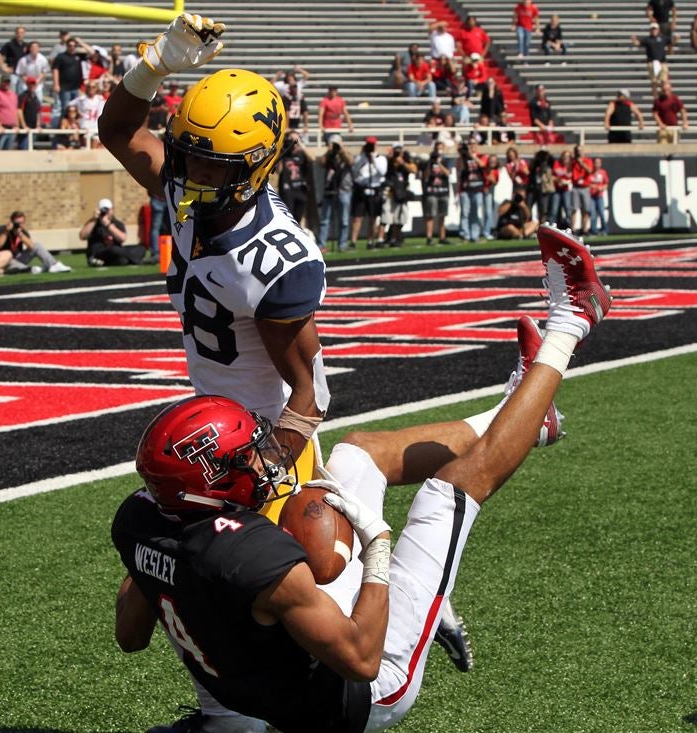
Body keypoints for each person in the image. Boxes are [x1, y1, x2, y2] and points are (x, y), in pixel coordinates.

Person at [101, 17, 459, 731]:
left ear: (257, 165)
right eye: (189, 159)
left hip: (261, 449)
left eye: (212, 167)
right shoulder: (193, 186)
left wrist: (258, 472)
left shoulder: (268, 255)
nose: (192, 175)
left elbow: (308, 395)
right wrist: (158, 63)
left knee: (267, 607)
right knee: (199, 588)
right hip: (210, 428)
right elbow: (118, 130)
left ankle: (403, 615)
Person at [115, 224, 605, 733]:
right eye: (250, 456)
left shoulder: (145, 520)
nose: (265, 459)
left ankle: (522, 419)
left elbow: (130, 637)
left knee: (356, 455)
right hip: (363, 693)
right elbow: (361, 658)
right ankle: (571, 320)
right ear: (208, 484)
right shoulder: (245, 555)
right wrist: (377, 555)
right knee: (450, 491)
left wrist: (151, 569)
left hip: (253, 683)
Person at [0, 210, 72, 273]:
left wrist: (20, 235)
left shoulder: (23, 232)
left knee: (37, 245)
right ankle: (35, 269)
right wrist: (6, 232)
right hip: (5, 261)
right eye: (17, 223)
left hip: (18, 258)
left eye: (22, 223)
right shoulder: (2, 229)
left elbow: (32, 247)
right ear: (11, 222)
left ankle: (53, 264)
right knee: (19, 267)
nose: (19, 225)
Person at [350, 136, 388, 250]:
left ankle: (370, 240)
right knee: (357, 217)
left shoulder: (380, 158)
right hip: (361, 188)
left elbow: (382, 172)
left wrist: (373, 159)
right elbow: (355, 171)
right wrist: (363, 158)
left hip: (374, 188)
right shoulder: (360, 158)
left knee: (373, 217)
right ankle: (353, 241)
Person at [80, 198, 140, 267]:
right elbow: (82, 236)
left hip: (116, 252)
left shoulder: (117, 223)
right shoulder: (93, 222)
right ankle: (137, 261)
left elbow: (123, 238)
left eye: (107, 210)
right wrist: (94, 220)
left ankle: (118, 261)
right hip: (100, 252)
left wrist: (108, 225)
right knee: (115, 250)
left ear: (112, 210)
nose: (106, 213)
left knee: (140, 249)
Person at [380, 145, 415, 248]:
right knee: (386, 218)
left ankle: (394, 238)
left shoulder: (406, 160)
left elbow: (413, 170)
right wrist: (391, 158)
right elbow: (384, 170)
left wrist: (402, 162)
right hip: (390, 193)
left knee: (399, 219)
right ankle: (381, 239)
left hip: (401, 194)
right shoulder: (388, 161)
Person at [276, 133, 313, 229]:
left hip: (301, 189)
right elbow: (278, 171)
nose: (293, 141)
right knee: (288, 217)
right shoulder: (284, 153)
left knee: (298, 218)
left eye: (295, 138)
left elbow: (312, 159)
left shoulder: (301, 153)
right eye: (291, 138)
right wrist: (280, 153)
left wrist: (300, 144)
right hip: (287, 189)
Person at [50, 35, 87, 127]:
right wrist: (56, 84)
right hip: (65, 87)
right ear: (67, 46)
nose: (72, 47)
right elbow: (55, 69)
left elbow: (91, 52)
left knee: (77, 109)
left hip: (76, 87)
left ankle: (75, 128)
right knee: (65, 108)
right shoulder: (61, 56)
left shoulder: (78, 56)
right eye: (70, 45)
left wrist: (80, 42)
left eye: (74, 45)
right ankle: (63, 128)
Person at [455, 142, 486, 243]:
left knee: (475, 213)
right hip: (465, 189)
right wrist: (462, 155)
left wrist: (473, 155)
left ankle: (475, 235)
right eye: (469, 145)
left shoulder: (481, 156)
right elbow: (459, 168)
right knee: (464, 212)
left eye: (473, 144)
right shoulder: (463, 158)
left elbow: (482, 164)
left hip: (477, 189)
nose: (471, 147)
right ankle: (465, 235)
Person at [632, 23, 669, 97]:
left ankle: (665, 96)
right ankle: (655, 98)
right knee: (654, 82)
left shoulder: (663, 38)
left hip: (662, 62)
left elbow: (671, 42)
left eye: (655, 29)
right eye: (652, 29)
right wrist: (634, 40)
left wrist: (676, 39)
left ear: (658, 30)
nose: (653, 31)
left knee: (664, 81)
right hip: (652, 62)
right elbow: (638, 44)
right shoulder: (647, 39)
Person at [569, 145, 594, 235]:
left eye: (580, 151)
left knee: (586, 209)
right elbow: (568, 171)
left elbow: (590, 170)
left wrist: (581, 163)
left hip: (585, 187)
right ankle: (573, 229)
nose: (578, 153)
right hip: (576, 187)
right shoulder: (573, 162)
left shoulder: (587, 161)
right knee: (574, 209)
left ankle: (585, 229)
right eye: (577, 151)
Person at [0, 75, 18, 150]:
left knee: (8, 151)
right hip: (2, 127)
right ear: (1, 82)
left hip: (11, 128)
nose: (7, 84)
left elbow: (15, 110)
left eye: (8, 82)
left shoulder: (13, 95)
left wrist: (16, 125)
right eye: (5, 82)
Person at [0, 26, 28, 92]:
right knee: (12, 92)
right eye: (18, 33)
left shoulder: (26, 46)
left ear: (24, 34)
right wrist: (3, 66)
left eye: (22, 33)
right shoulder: (10, 45)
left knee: (22, 93)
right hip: (13, 72)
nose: (20, 35)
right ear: (16, 34)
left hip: (23, 74)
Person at [16, 76, 43, 149]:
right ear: (27, 85)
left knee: (30, 146)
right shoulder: (23, 96)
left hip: (33, 127)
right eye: (30, 84)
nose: (32, 86)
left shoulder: (35, 97)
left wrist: (38, 124)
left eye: (33, 84)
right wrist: (24, 125)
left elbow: (38, 111)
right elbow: (19, 110)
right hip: (26, 128)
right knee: (24, 147)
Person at [587, 157, 610, 235]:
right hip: (591, 196)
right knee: (593, 213)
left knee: (601, 212)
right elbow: (586, 183)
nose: (597, 164)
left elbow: (606, 183)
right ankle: (593, 230)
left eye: (599, 162)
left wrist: (602, 188)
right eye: (596, 162)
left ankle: (604, 229)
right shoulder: (590, 172)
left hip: (599, 195)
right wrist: (595, 187)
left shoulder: (603, 172)